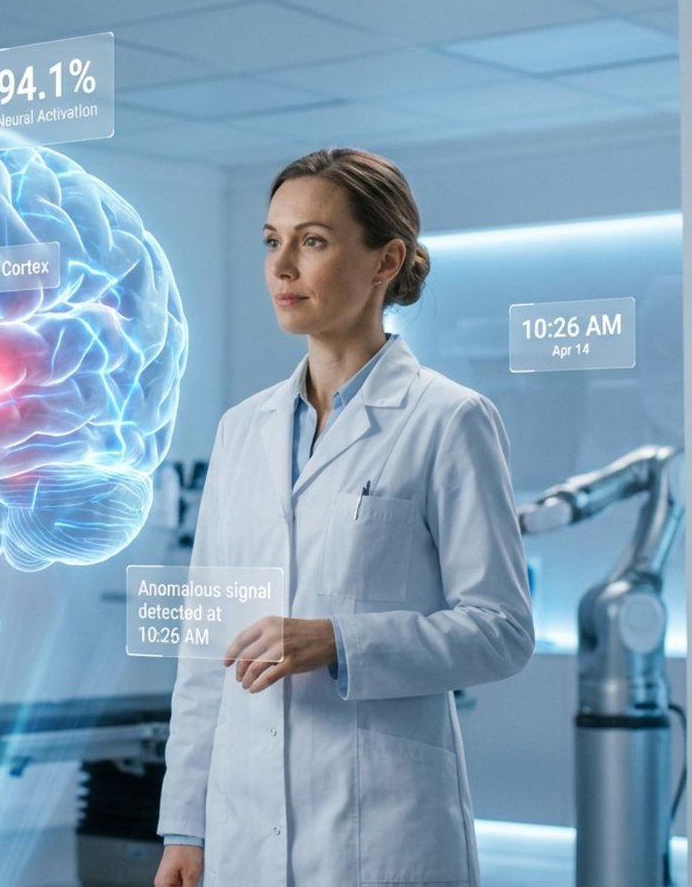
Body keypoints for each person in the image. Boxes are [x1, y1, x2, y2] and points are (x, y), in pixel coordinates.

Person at [154, 148, 534, 887]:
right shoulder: (243, 429)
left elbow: (502, 630)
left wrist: (339, 641)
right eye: (272, 240)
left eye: (314, 241)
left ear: (386, 260)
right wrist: (185, 824)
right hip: (242, 825)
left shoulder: (448, 421)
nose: (282, 265)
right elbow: (207, 647)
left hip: (382, 828)